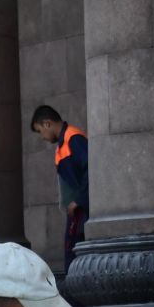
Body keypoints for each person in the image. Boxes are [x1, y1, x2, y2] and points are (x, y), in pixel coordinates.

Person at [29, 105, 89, 270]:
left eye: (40, 130)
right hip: (76, 211)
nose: (42, 137)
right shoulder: (64, 144)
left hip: (82, 210)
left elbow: (91, 169)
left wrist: (78, 200)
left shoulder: (74, 139)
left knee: (75, 258)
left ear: (47, 124)